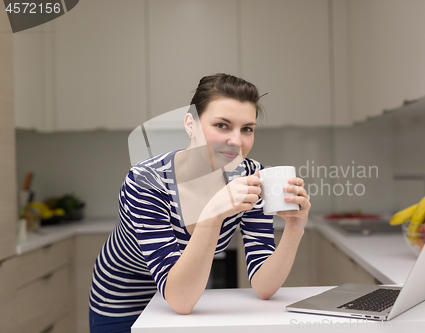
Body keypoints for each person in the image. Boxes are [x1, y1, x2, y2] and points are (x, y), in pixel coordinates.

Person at [88, 73, 311, 333]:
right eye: (222, 125)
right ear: (190, 124)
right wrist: (213, 215)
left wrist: (295, 230)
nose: (237, 141)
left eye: (247, 129)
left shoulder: (251, 176)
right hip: (124, 302)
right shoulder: (147, 181)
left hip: (189, 298)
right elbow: (179, 298)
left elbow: (263, 285)